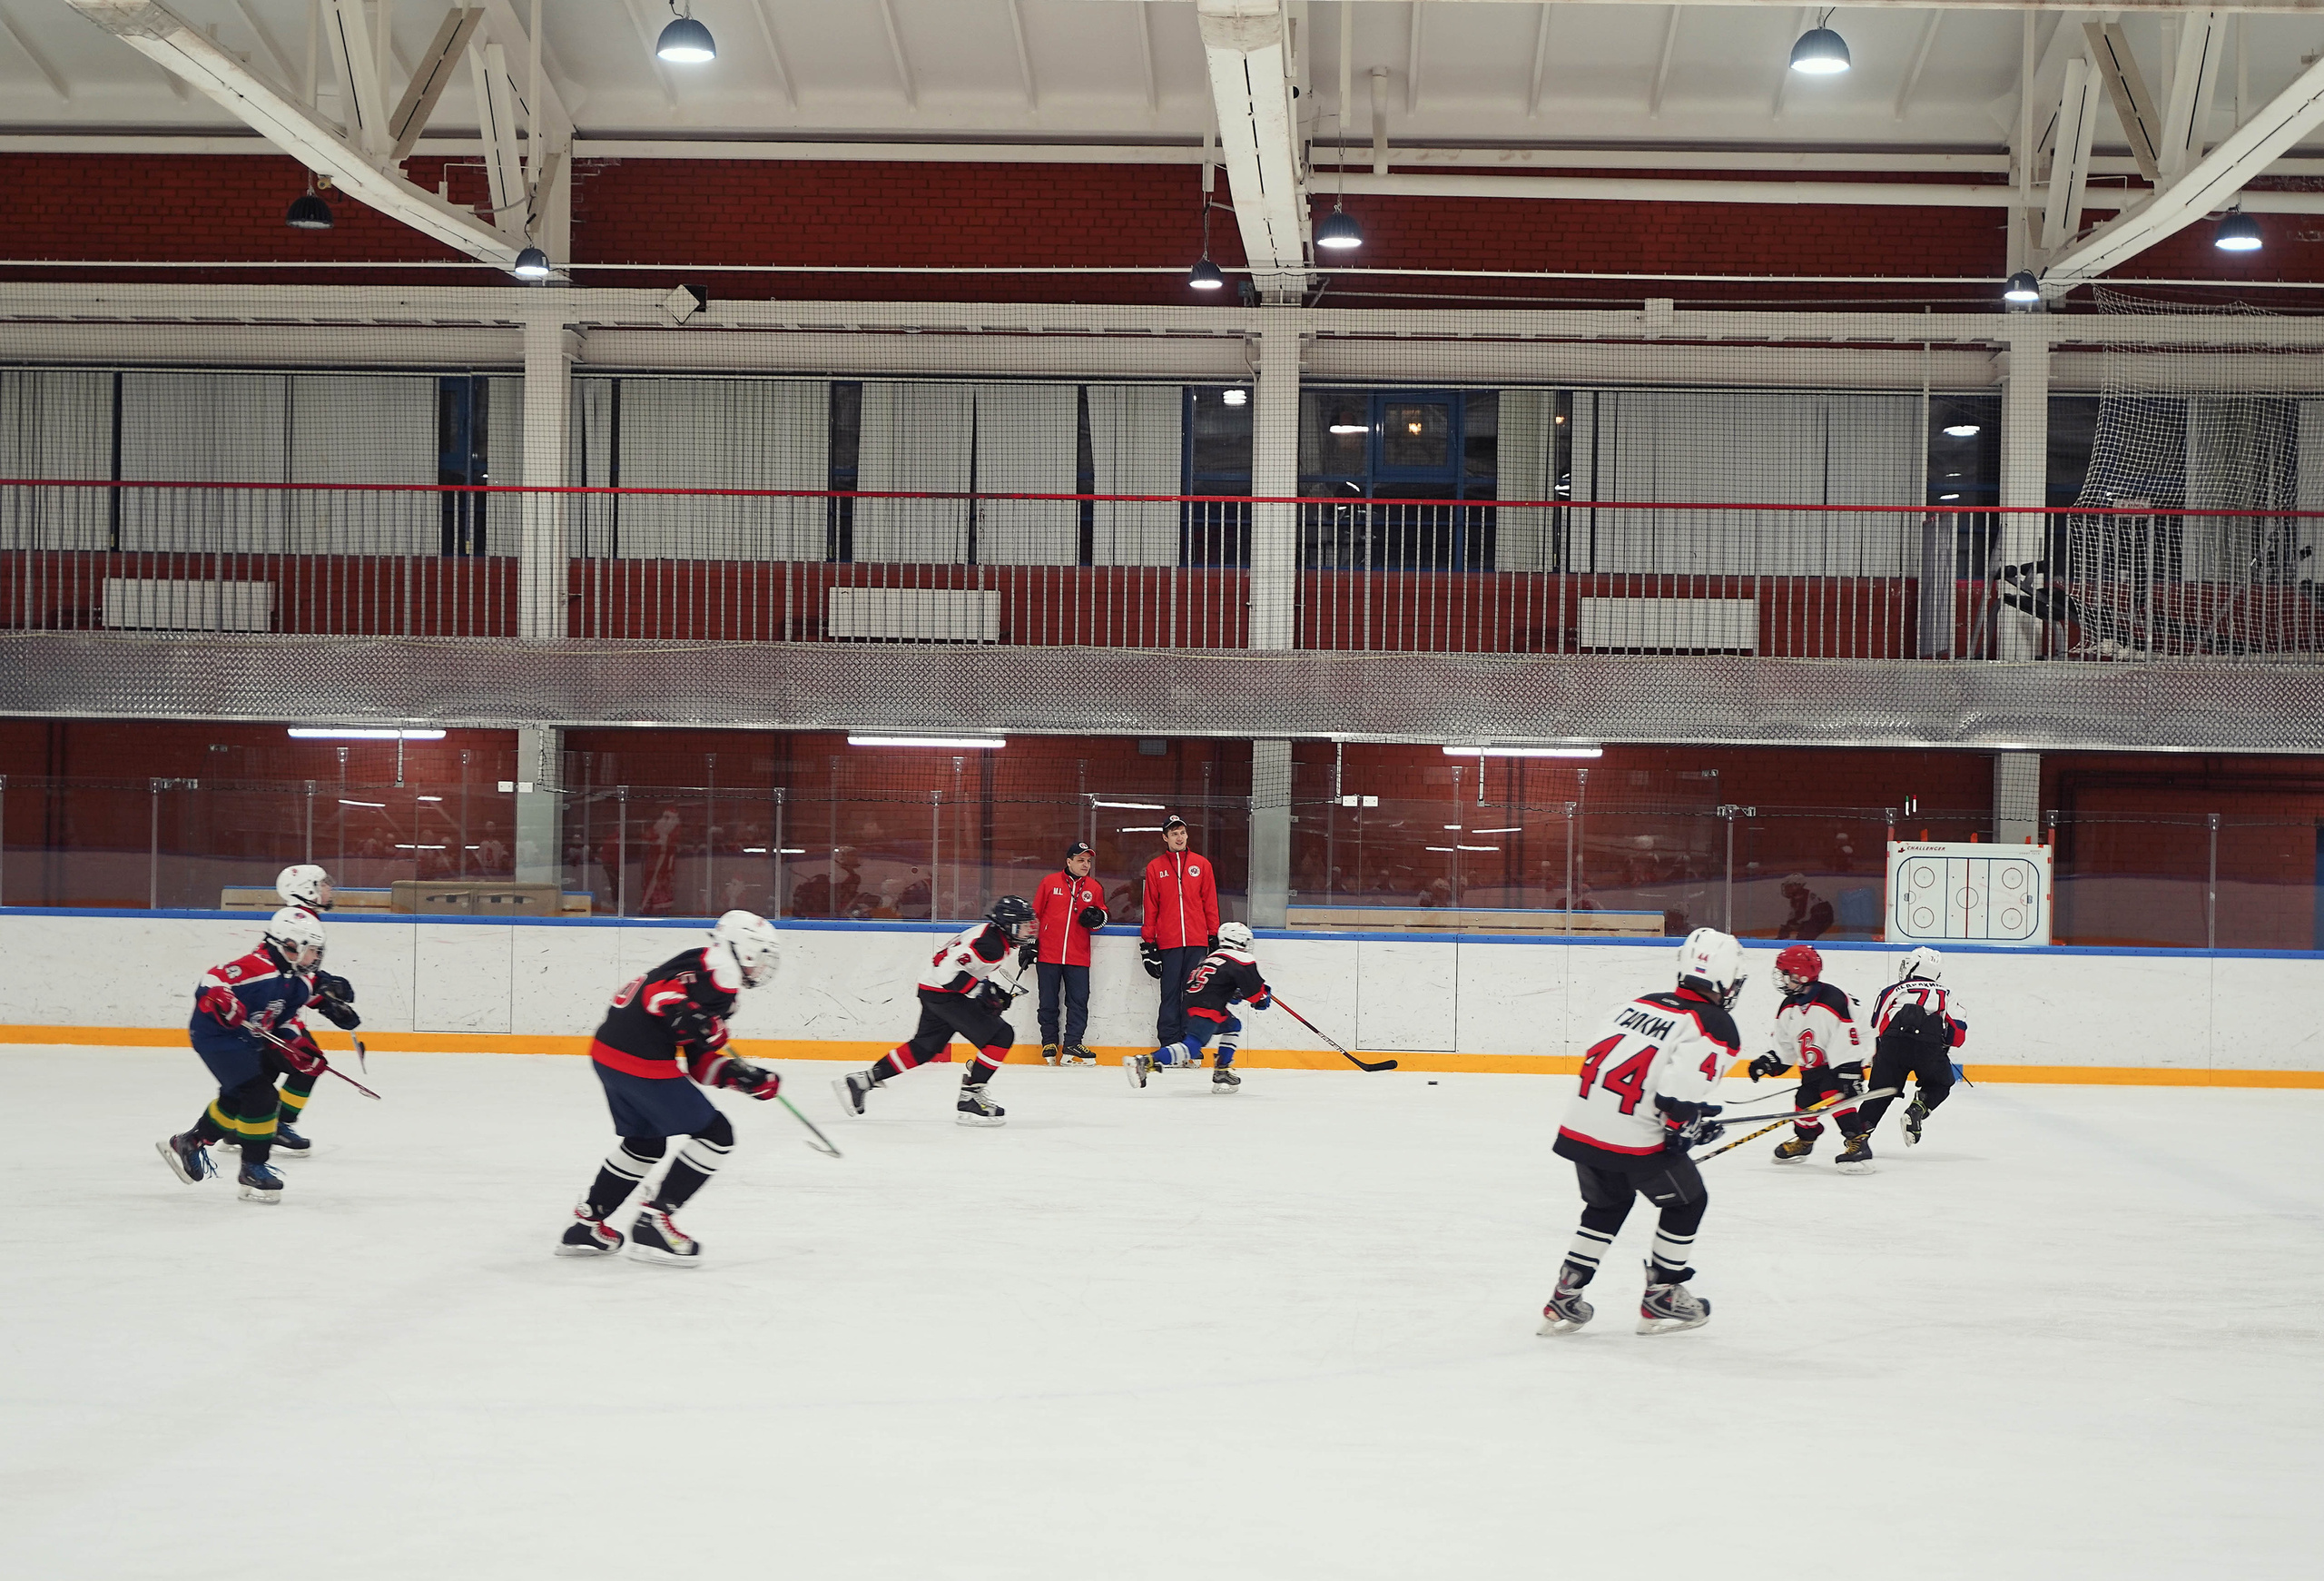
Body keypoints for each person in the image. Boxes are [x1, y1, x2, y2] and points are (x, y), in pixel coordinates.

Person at [1539, 927, 1743, 1338]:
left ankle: (1565, 1295)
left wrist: (1689, 1117)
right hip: (1630, 1138)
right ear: (1725, 979)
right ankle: (1663, 1294)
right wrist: (1686, 1125)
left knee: (1607, 1206)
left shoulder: (1638, 1004)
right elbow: (1675, 1096)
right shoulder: (1715, 1023)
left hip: (1582, 1127)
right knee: (1688, 1202)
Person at [557, 910, 785, 1265]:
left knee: (645, 1143)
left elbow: (698, 1063)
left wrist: (740, 1077)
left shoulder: (703, 965)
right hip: (638, 1060)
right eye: (763, 955)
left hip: (609, 1055)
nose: (764, 967)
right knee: (717, 1134)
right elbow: (657, 996)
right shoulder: (718, 972)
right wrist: (686, 1013)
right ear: (746, 949)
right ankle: (653, 1222)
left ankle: (587, 1224)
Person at [156, 907, 330, 1205]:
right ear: (289, 945)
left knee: (237, 1098)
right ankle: (253, 1167)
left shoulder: (297, 982)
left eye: (317, 952)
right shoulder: (258, 966)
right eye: (310, 951)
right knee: (261, 1096)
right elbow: (212, 980)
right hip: (216, 1038)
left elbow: (284, 1021)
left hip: (247, 1039)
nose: (314, 959)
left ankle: (191, 1141)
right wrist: (222, 999)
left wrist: (298, 1047)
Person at [833, 895, 1038, 1128]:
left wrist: (990, 989)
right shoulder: (990, 945)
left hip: (933, 991)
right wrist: (983, 992)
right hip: (944, 994)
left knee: (923, 1048)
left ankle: (863, 1080)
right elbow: (947, 974)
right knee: (1001, 1036)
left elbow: (966, 969)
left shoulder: (993, 935)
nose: (1027, 931)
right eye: (1022, 926)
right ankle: (969, 1097)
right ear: (1008, 924)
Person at [1838, 947, 1968, 1174]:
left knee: (1880, 1094)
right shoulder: (1947, 993)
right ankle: (1917, 1108)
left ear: (1914, 966)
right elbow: (1958, 1035)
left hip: (1893, 1044)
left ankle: (1858, 1142)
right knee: (1940, 1084)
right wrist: (1939, 1044)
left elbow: (1877, 1025)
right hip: (1929, 1046)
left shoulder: (1893, 989)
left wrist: (1880, 1054)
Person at [266, 864, 362, 1158]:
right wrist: (325, 1000)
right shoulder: (301, 921)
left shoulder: (299, 919)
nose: (329, 888)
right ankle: (277, 1125)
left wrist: (325, 993)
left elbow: (297, 974)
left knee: (263, 1072)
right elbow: (288, 975)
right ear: (307, 889)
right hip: (272, 1014)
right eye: (322, 884)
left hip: (274, 1011)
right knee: (308, 1064)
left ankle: (237, 1125)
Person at [1746, 943, 1868, 1163]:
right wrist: (1767, 1062)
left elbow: (1849, 1037)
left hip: (1846, 1059)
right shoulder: (1788, 1007)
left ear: (1802, 977)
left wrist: (1850, 1071)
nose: (1782, 979)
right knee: (1804, 1100)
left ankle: (1857, 1140)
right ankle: (1805, 1140)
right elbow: (1786, 1048)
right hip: (1814, 1066)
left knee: (1832, 1093)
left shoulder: (1832, 1001)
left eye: (1787, 974)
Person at [1124, 922, 1268, 1092]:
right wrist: (1263, 997)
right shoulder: (1242, 959)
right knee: (1191, 1048)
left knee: (1233, 1026)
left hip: (1194, 1004)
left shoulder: (1214, 957)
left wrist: (1235, 993)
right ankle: (1144, 1061)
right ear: (1239, 941)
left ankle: (1222, 1070)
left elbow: (1213, 983)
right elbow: (1256, 996)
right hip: (1208, 1007)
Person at [1138, 815, 1219, 1048]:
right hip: (1169, 942)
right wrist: (1148, 943)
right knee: (1171, 994)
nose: (1179, 837)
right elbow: (1150, 905)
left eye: (1182, 832)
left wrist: (1212, 934)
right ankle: (1169, 1042)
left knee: (1193, 993)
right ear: (1165, 838)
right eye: (1173, 833)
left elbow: (1210, 902)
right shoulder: (1155, 867)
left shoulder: (1202, 865)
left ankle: (1190, 1043)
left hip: (1196, 940)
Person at [1032, 842, 1108, 1064]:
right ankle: (1049, 1042)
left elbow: (1102, 916)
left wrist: (1098, 918)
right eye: (1080, 860)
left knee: (1078, 1001)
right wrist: (1030, 944)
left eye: (1088, 861)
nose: (1086, 865)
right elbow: (1035, 914)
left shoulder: (1094, 888)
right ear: (1068, 862)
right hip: (1048, 953)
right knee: (1048, 1000)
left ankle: (1073, 1042)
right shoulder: (1049, 883)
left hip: (1078, 954)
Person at [1776, 874, 1834, 940]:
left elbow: (1805, 916)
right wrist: (1789, 925)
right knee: (1786, 929)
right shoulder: (1795, 898)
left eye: (1789, 886)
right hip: (1811, 921)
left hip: (1820, 920)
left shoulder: (1808, 896)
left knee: (1803, 937)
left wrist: (1794, 924)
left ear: (1798, 885)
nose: (1786, 889)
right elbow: (1794, 916)